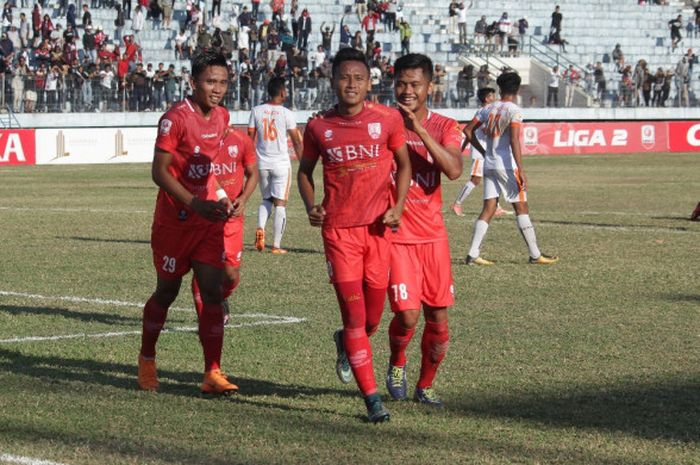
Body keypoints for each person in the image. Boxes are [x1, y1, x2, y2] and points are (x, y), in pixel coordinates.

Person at [297, 47, 411, 423]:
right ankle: (372, 400)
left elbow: (404, 164)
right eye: (344, 77)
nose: (351, 84)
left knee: (372, 320)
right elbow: (305, 172)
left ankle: (346, 343)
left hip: (379, 232)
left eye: (358, 78)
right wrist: (312, 204)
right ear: (333, 81)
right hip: (339, 234)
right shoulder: (318, 127)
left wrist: (398, 206)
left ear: (368, 83)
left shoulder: (388, 119)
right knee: (354, 316)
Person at [137, 49, 238, 396]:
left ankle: (212, 372)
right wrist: (194, 203)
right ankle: (147, 359)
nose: (217, 88)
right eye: (211, 81)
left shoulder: (223, 117)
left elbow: (210, 169)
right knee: (167, 291)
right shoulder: (175, 118)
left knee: (212, 291)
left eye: (223, 82)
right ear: (193, 82)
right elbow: (159, 172)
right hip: (174, 222)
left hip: (205, 220)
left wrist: (221, 193)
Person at [384, 53, 463, 408]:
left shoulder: (446, 126)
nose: (407, 90)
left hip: (433, 238)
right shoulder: (381, 122)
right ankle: (397, 362)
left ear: (430, 86)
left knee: (439, 319)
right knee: (407, 314)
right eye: (401, 83)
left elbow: (454, 169)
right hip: (397, 236)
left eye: (415, 84)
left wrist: (418, 130)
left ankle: (426, 385)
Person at [462, 72, 558, 266]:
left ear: (500, 87)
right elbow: (514, 139)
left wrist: (483, 150)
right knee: (521, 207)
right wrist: (521, 169)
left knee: (489, 208)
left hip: (489, 164)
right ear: (517, 89)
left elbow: (467, 130)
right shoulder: (514, 110)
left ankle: (473, 254)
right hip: (506, 165)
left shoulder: (489, 108)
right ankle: (534, 254)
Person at [192, 125, 258, 327]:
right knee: (204, 269)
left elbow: (253, 172)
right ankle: (207, 319)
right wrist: (219, 197)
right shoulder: (201, 141)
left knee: (231, 274)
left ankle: (221, 297)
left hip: (232, 218)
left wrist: (244, 199)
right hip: (207, 215)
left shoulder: (240, 139)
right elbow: (207, 176)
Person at [248, 77, 303, 254]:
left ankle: (260, 228)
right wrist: (303, 163)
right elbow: (296, 140)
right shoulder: (287, 113)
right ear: (281, 92)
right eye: (285, 90)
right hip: (280, 163)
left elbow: (249, 138)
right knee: (280, 203)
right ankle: (277, 246)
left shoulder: (256, 111)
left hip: (262, 163)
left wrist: (247, 162)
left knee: (266, 199)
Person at [452, 87, 508, 217]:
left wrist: (462, 148)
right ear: (487, 98)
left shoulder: (487, 112)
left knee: (494, 178)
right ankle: (457, 204)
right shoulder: (484, 112)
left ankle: (496, 207)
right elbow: (480, 130)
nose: (495, 98)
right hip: (480, 152)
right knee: (475, 180)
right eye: (492, 96)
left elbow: (469, 131)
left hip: (486, 151)